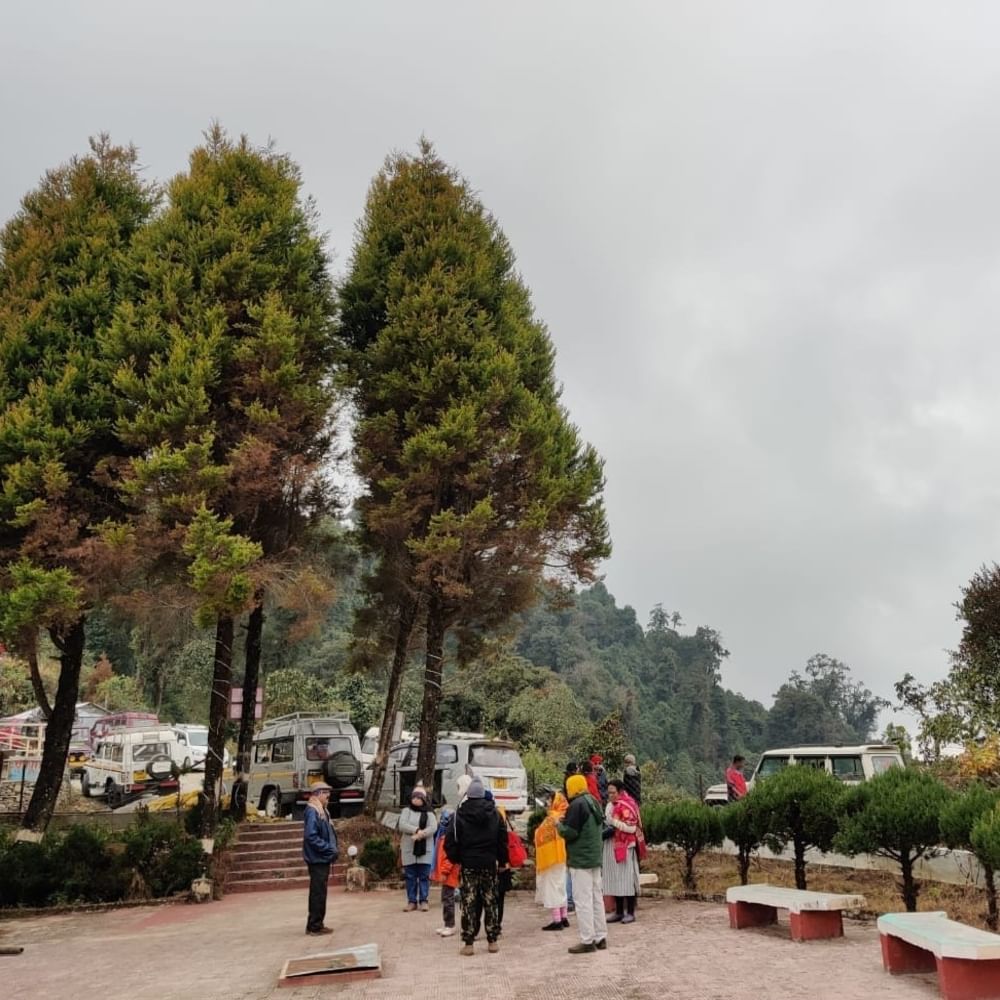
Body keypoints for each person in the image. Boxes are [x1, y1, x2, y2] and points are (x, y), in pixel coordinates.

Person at [444, 776, 508, 956]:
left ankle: (469, 943)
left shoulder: (459, 814)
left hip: (468, 864)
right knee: (490, 901)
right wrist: (502, 861)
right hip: (489, 864)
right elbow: (502, 840)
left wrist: (458, 859)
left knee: (469, 903)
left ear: (468, 795)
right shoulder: (495, 814)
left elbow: (450, 841)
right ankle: (492, 940)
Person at [557, 774, 608, 954]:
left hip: (581, 859)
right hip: (594, 857)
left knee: (582, 900)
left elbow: (570, 833)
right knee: (596, 897)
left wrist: (559, 825)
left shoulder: (577, 805)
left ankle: (587, 940)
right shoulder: (593, 801)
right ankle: (601, 937)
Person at [302, 782, 339, 935]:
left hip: (321, 857)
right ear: (318, 794)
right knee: (318, 893)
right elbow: (311, 836)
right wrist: (328, 848)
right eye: (325, 793)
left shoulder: (322, 810)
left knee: (320, 892)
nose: (328, 796)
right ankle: (314, 926)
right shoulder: (313, 811)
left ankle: (317, 923)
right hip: (317, 858)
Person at [603, 779, 641, 924]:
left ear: (620, 792)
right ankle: (618, 912)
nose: (611, 795)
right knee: (615, 878)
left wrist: (614, 822)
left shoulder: (628, 805)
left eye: (613, 792)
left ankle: (630, 912)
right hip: (611, 844)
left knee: (626, 879)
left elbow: (631, 828)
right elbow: (608, 821)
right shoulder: (609, 806)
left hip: (625, 845)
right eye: (609, 793)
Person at [534, 786, 569, 931]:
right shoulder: (564, 815)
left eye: (550, 799)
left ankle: (557, 920)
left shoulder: (552, 818)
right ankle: (564, 917)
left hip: (551, 857)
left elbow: (540, 834)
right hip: (562, 856)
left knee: (553, 888)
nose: (547, 802)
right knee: (561, 886)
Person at [399, 786, 438, 911]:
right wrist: (416, 830)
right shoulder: (406, 811)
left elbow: (433, 827)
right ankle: (411, 901)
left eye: (419, 798)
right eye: (414, 797)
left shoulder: (429, 812)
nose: (416, 800)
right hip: (409, 849)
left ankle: (423, 900)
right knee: (410, 876)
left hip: (425, 849)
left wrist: (421, 834)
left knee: (424, 876)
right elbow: (402, 824)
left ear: (424, 799)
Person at [431, 806, 459, 936]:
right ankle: (447, 923)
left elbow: (450, 857)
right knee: (445, 898)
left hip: (449, 873)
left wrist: (444, 871)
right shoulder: (442, 836)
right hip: (445, 872)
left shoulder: (449, 837)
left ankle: (450, 925)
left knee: (448, 899)